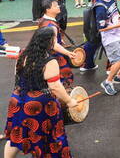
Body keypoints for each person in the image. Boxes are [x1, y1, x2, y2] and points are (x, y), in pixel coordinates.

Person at [4, 27, 79, 158]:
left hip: (17, 100)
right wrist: (70, 101)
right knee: (47, 139)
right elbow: (55, 86)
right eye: (54, 38)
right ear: (49, 41)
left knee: (15, 137)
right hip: (38, 106)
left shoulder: (22, 54)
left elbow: (18, 76)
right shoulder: (49, 61)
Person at [37, 0, 76, 90]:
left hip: (44, 53)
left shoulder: (43, 20)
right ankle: (64, 96)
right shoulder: (51, 26)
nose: (58, 6)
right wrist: (68, 53)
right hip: (54, 55)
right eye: (55, 5)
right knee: (64, 75)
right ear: (48, 9)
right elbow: (54, 45)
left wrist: (59, 39)